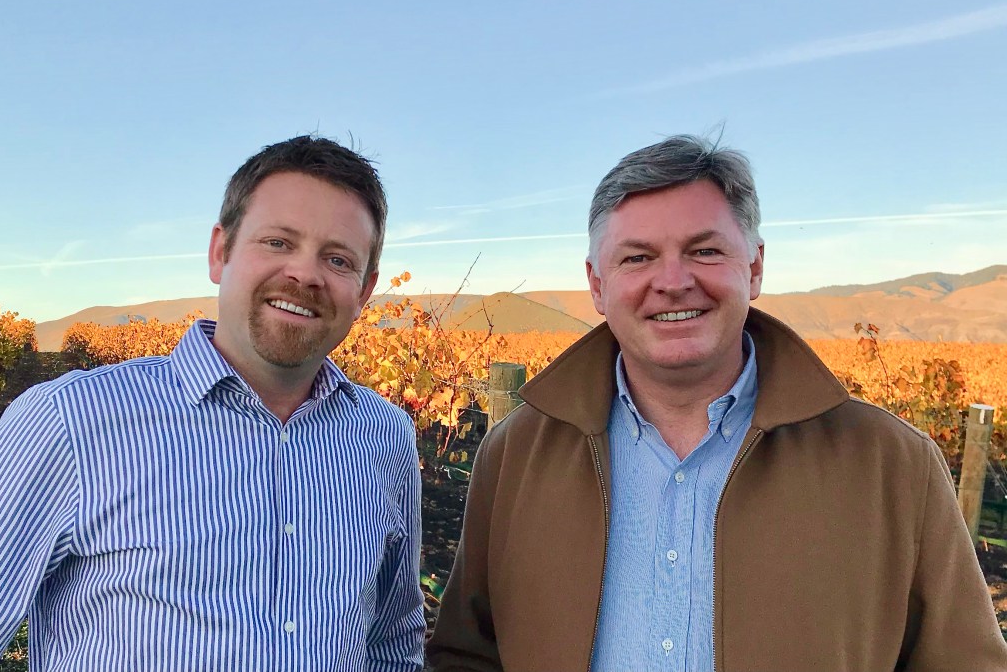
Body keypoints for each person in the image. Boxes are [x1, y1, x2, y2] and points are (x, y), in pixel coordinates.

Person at [427, 135, 1007, 671]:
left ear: (754, 268)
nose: (673, 281)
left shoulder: (892, 465)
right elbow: (468, 656)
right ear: (597, 285)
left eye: (704, 251)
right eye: (637, 258)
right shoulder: (515, 455)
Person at [0, 136, 425, 671]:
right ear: (220, 252)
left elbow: (391, 643)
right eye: (278, 242)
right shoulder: (68, 424)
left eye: (337, 259)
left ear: (364, 290)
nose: (306, 274)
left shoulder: (386, 437)